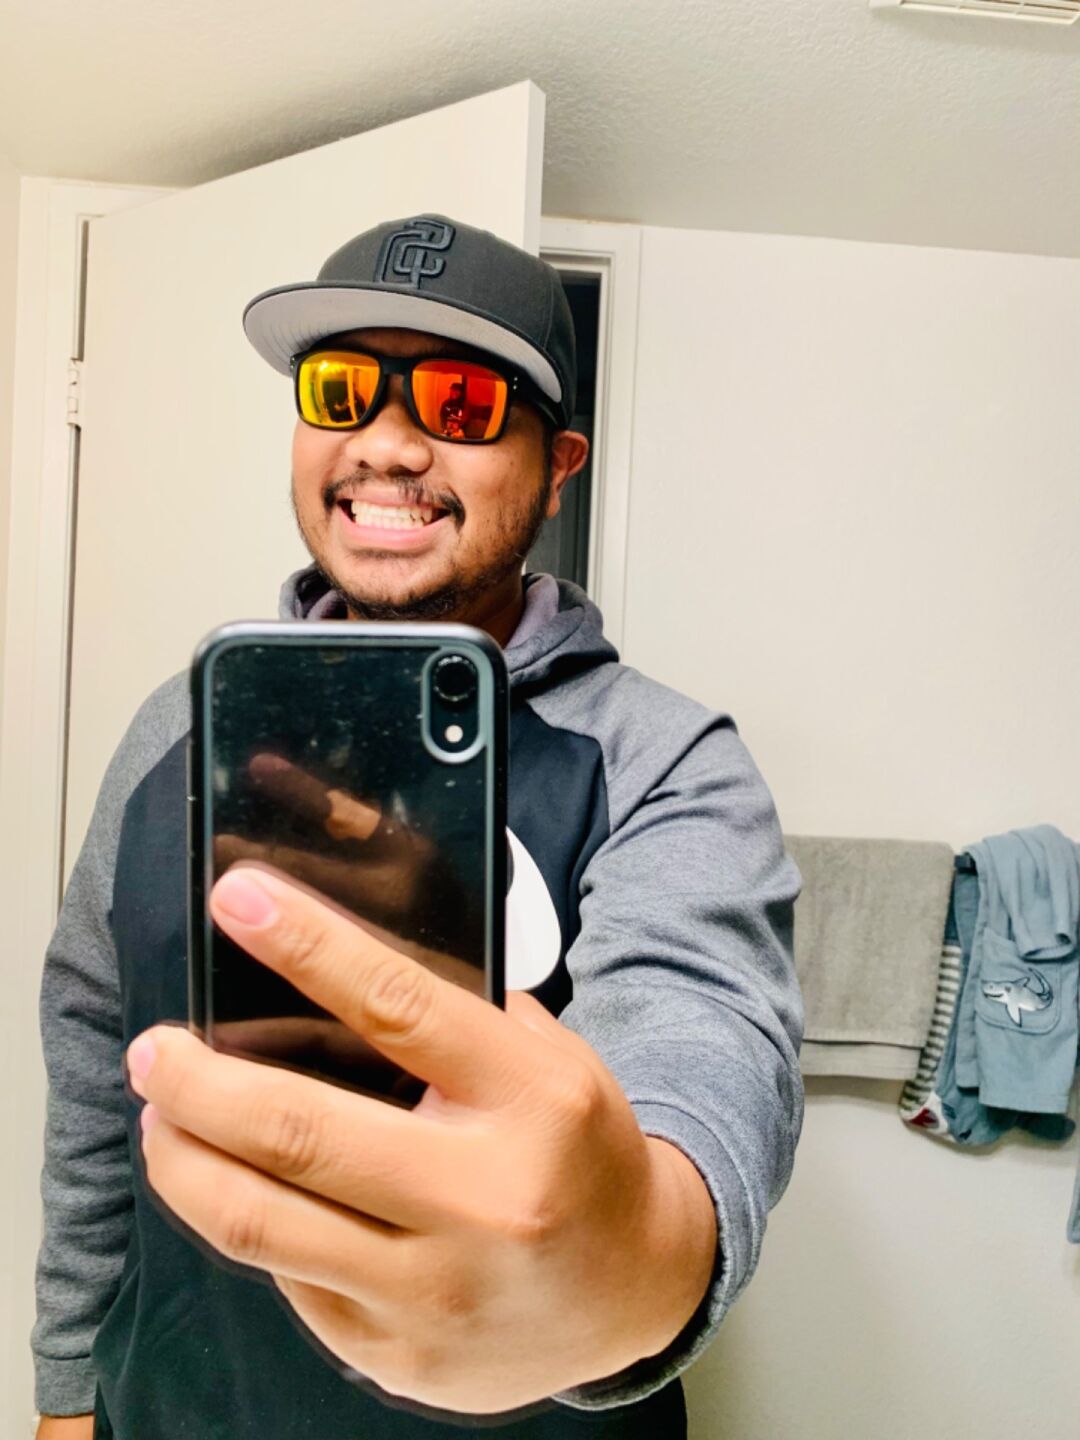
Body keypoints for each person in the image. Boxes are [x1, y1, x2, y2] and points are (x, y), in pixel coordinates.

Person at [32, 214, 804, 1440]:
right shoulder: (181, 724)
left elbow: (698, 1052)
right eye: (340, 391)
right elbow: (89, 1049)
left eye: (459, 402)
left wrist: (634, 1267)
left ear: (558, 465)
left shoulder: (665, 758)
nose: (385, 444)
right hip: (169, 1412)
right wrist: (68, 1388)